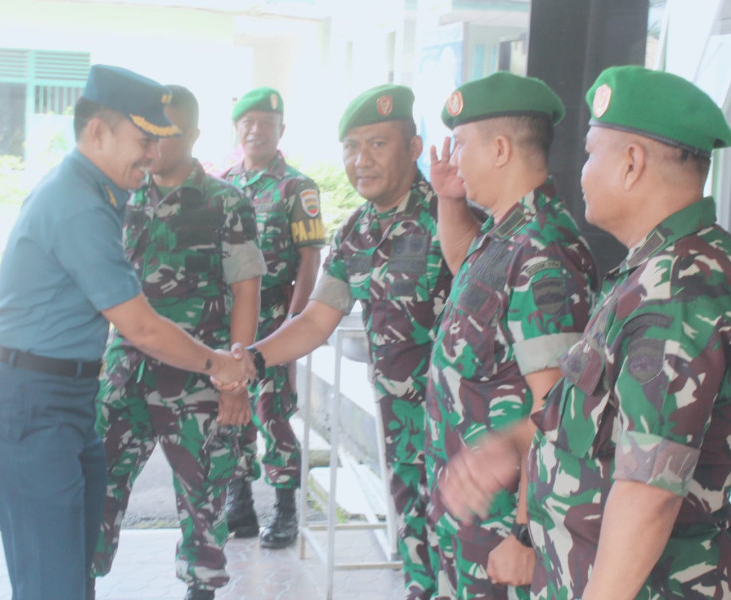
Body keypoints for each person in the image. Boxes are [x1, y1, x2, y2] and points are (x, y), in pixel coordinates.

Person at [440, 65, 731, 600]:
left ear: (631, 163)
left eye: (593, 153)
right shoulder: (648, 274)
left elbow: (649, 495)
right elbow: (594, 421)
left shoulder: (680, 291)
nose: (580, 172)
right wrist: (510, 443)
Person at [0, 66, 251, 600]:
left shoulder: (99, 193)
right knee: (51, 584)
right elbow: (141, 326)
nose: (151, 155)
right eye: (143, 140)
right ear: (97, 131)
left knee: (72, 575)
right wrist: (220, 365)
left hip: (68, 400)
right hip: (31, 405)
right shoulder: (77, 205)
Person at [229, 83, 452, 599]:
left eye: (377, 144)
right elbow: (315, 319)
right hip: (401, 426)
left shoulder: (451, 216)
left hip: (464, 430)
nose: (361, 160)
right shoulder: (357, 231)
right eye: (351, 147)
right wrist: (252, 359)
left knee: (468, 558)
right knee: (416, 547)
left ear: (414, 149)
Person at [424, 71, 598, 599]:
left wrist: (525, 533)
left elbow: (556, 408)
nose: (453, 159)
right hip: (474, 519)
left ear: (500, 149)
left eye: (461, 145)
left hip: (504, 532)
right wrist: (449, 198)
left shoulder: (543, 252)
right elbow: (467, 271)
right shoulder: (507, 233)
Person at [88, 85, 265, 600]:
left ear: (192, 136)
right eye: (149, 133)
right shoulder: (122, 197)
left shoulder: (224, 203)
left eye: (169, 134)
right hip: (127, 373)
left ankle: (200, 590)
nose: (155, 146)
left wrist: (236, 376)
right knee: (95, 490)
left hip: (199, 380)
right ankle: (81, 580)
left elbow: (245, 292)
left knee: (203, 505)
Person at [221, 87, 326, 549]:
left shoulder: (296, 188)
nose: (256, 130)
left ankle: (285, 508)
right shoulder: (222, 185)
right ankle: (238, 502)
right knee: (229, 411)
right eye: (248, 122)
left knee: (272, 412)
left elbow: (310, 258)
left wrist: (294, 324)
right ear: (237, 129)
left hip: (276, 322)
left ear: (281, 129)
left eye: (266, 122)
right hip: (227, 325)